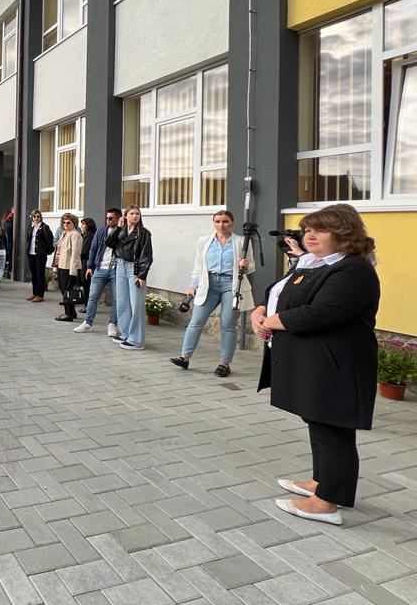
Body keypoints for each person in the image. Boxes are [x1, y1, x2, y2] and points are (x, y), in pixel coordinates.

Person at [253, 204, 380, 526]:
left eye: (320, 230)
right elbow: (281, 294)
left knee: (332, 430)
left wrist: (271, 321)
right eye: (307, 229)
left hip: (336, 365)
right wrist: (260, 310)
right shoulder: (313, 263)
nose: (309, 236)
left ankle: (326, 503)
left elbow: (320, 313)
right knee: (320, 424)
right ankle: (324, 483)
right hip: (316, 362)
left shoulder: (353, 270)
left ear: (344, 233)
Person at [170, 210, 254, 376]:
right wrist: (192, 285)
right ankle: (184, 357)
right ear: (213, 223)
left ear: (232, 223)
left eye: (225, 221)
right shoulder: (204, 241)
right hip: (209, 284)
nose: (221, 225)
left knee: (227, 324)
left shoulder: (241, 242)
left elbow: (251, 266)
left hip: (232, 285)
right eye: (217, 221)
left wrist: (246, 265)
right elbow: (198, 266)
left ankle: (224, 364)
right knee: (196, 321)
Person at [106, 205, 153, 350]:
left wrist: (142, 275)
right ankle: (126, 333)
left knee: (136, 305)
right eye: (132, 213)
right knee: (122, 302)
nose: (135, 216)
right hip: (120, 266)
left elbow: (147, 255)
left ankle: (137, 341)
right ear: (125, 216)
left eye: (137, 213)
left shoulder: (144, 233)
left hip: (135, 268)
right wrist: (118, 228)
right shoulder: (121, 231)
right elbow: (109, 243)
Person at [73, 209, 121, 335]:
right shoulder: (101, 231)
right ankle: (88, 323)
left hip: (116, 270)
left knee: (117, 299)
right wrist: (90, 266)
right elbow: (93, 249)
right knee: (92, 297)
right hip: (100, 269)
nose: (108, 220)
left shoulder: (123, 232)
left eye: (111, 218)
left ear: (118, 218)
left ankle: (112, 324)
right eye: (107, 218)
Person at [52, 213, 83, 322]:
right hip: (61, 265)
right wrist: (55, 266)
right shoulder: (64, 233)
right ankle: (72, 312)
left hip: (69, 267)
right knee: (64, 290)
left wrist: (73, 271)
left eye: (68, 222)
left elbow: (75, 254)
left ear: (74, 223)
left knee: (67, 291)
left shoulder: (76, 235)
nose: (65, 224)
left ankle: (68, 314)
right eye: (64, 222)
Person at [26, 210, 53, 303]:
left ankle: (40, 295)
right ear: (32, 218)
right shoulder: (30, 227)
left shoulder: (45, 227)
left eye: (38, 216)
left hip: (40, 255)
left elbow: (50, 240)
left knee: (40, 274)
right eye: (34, 216)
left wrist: (46, 251)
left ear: (41, 217)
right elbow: (28, 239)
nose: (36, 218)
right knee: (33, 274)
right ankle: (34, 293)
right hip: (31, 253)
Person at [76, 217, 95, 305]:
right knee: (85, 284)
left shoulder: (89, 235)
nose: (82, 226)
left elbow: (84, 250)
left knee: (86, 284)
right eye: (82, 224)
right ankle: (86, 304)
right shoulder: (85, 234)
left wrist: (76, 256)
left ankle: (87, 305)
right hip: (83, 261)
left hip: (86, 262)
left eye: (84, 224)